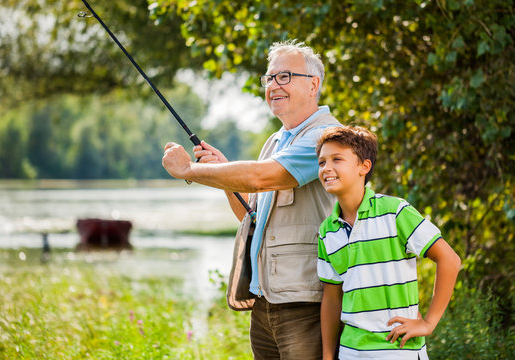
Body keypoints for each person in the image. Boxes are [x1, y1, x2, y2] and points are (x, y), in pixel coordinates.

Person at [162, 39, 341, 359]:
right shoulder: (275, 142)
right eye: (269, 78)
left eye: (285, 76)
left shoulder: (325, 137)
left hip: (305, 303)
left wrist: (189, 170)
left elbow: (260, 177)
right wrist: (221, 172)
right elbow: (251, 214)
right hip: (265, 302)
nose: (273, 85)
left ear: (313, 84)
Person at [315, 126, 461, 360]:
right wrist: (327, 355)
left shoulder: (394, 212)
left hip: (399, 352)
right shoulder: (326, 231)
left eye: (337, 159)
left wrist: (428, 323)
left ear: (364, 166)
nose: (326, 168)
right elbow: (332, 298)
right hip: (351, 352)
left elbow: (450, 260)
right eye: (322, 162)